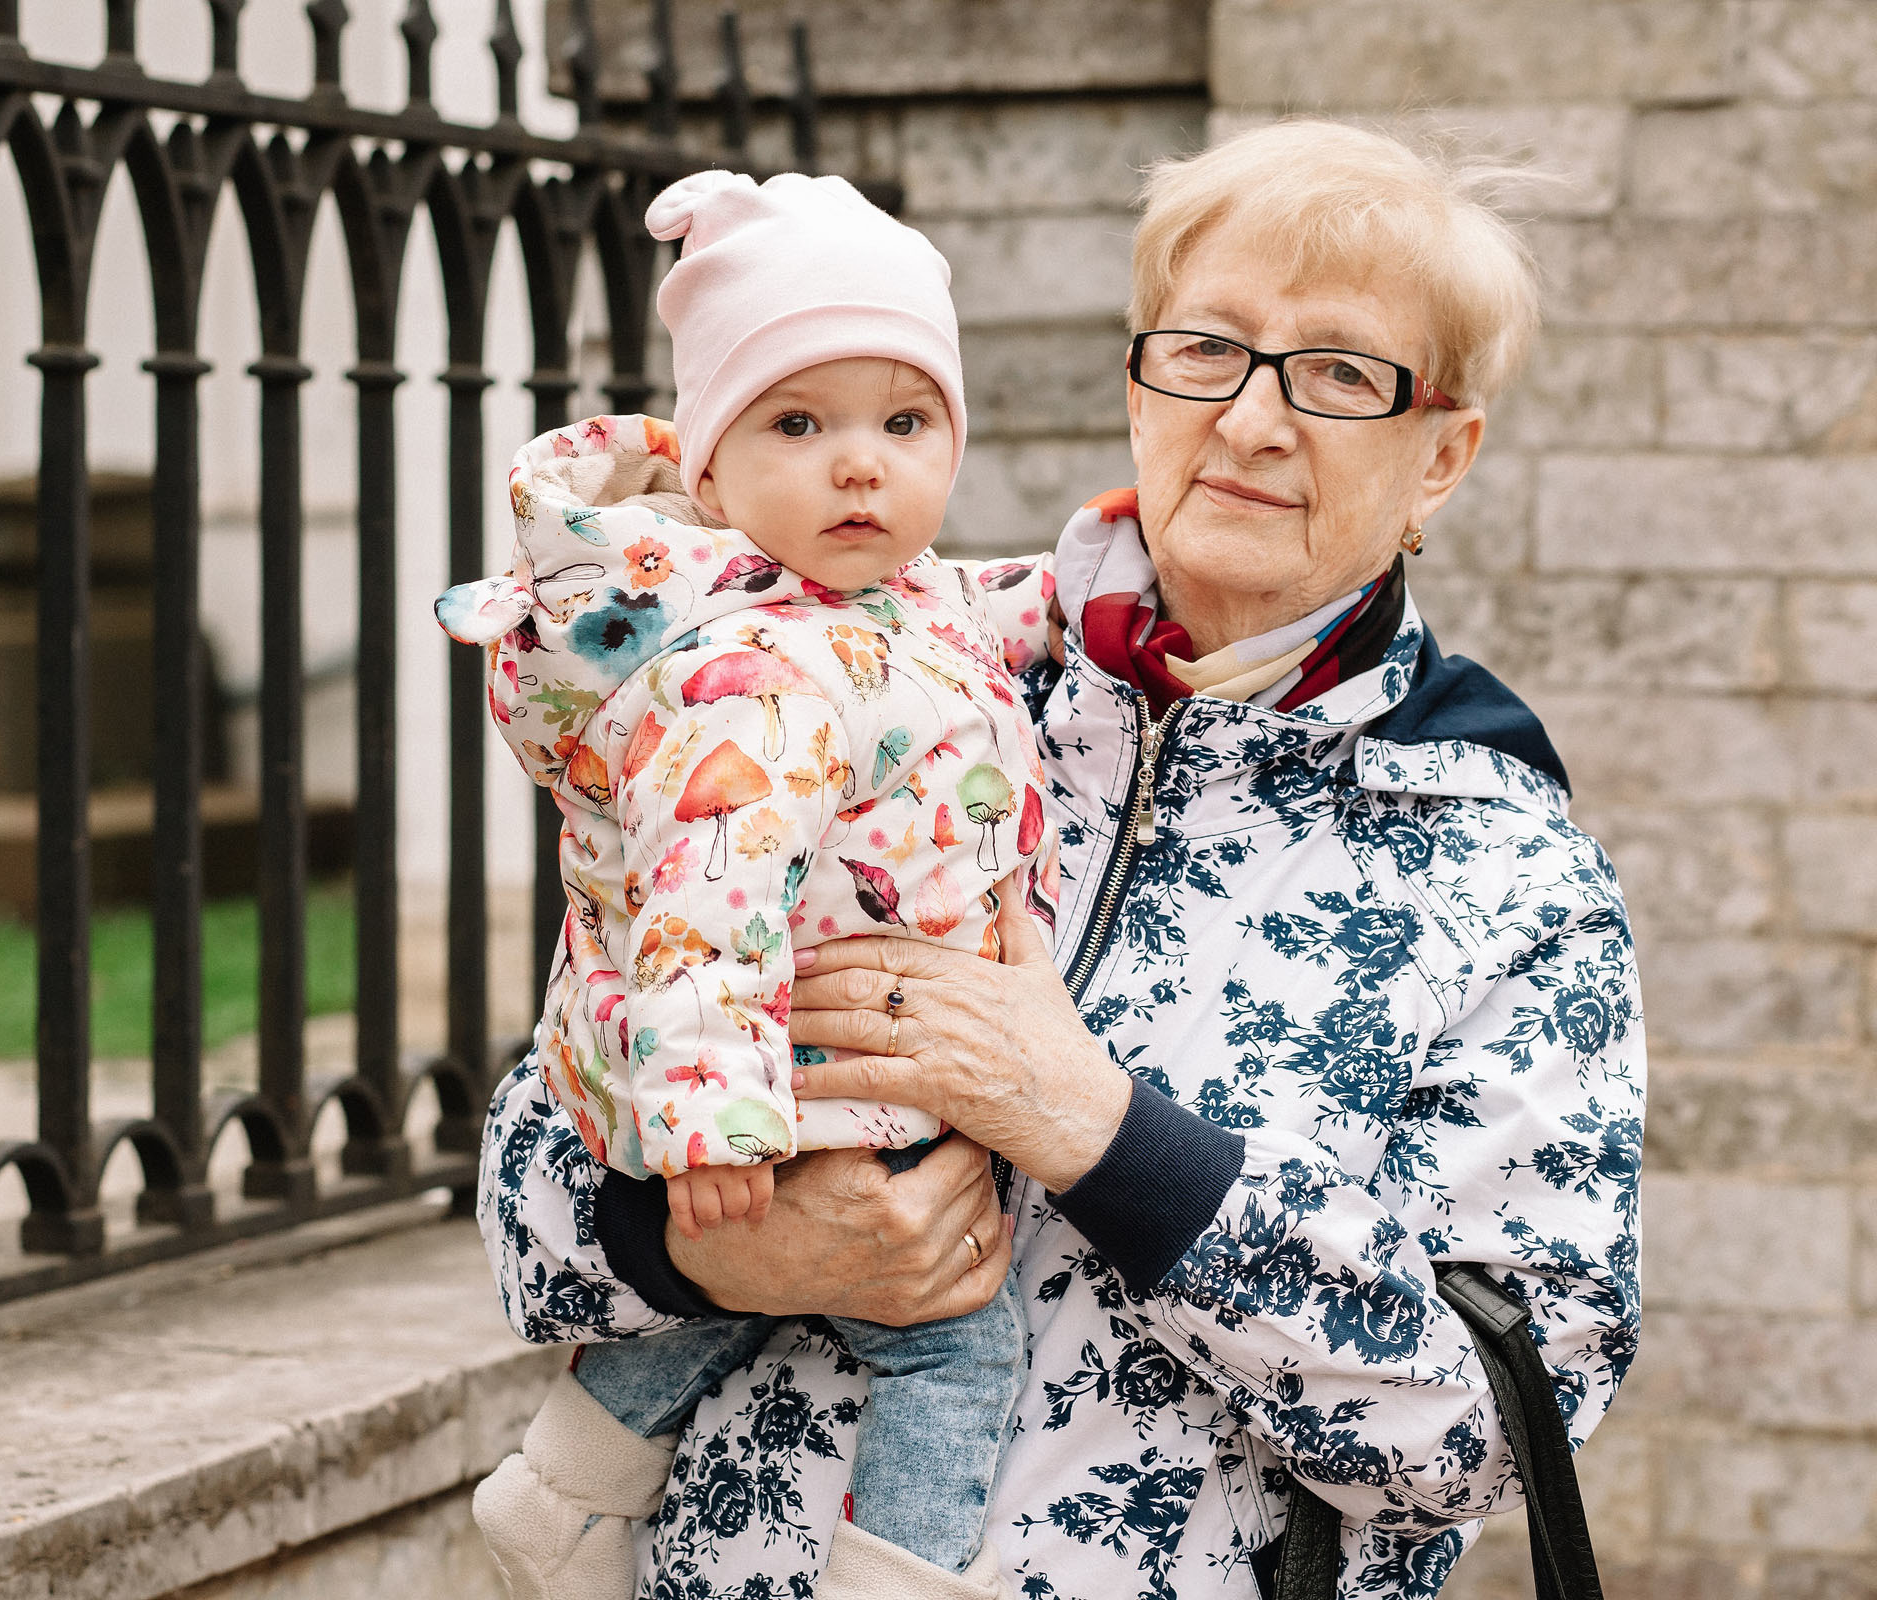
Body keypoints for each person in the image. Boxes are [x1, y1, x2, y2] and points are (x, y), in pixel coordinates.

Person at [478, 120, 1646, 1600]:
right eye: (1206, 349)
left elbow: (1498, 1429)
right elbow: (526, 1177)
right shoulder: (870, 680)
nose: (1251, 422)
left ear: (1443, 457)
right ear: (1138, 383)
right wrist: (706, 1251)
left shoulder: (1500, 871)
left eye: (1342, 374)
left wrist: (1100, 1131)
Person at [437, 171, 1063, 1599]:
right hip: (793, 1085)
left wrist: (1091, 580)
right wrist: (714, 1117)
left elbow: (978, 609)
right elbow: (702, 900)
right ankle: (894, 1579)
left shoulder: (872, 605)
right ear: (709, 473)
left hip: (821, 1070)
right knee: (955, 1345)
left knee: (742, 1298)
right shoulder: (752, 677)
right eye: (800, 423)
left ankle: (564, 1493)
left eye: (905, 425)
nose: (862, 468)